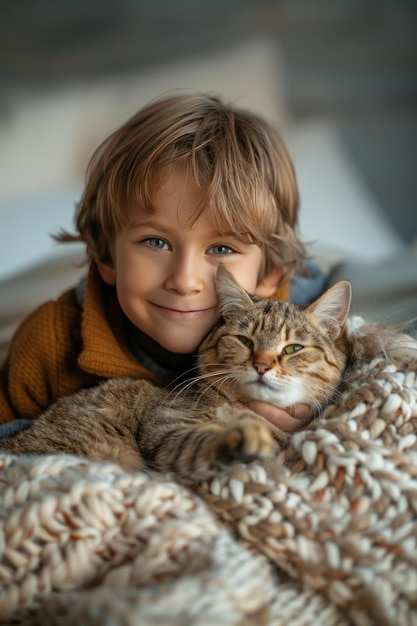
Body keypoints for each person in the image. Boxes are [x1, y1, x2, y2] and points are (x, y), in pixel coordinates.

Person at [0, 92, 325, 439]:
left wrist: (308, 421)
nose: (184, 281)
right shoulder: (49, 342)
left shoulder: (316, 333)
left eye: (221, 248)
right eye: (156, 242)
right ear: (107, 257)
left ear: (270, 273)